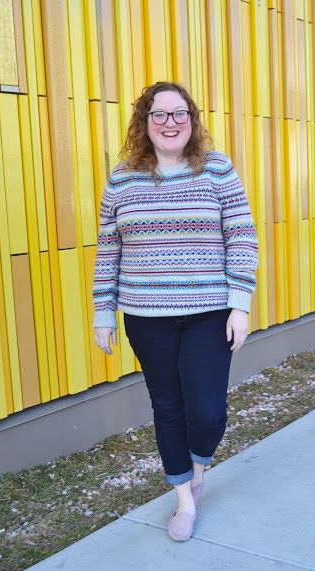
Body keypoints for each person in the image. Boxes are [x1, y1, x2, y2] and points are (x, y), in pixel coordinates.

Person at [92, 81, 259, 542]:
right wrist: (103, 312)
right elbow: (108, 250)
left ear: (192, 119)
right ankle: (184, 498)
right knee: (167, 406)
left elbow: (241, 237)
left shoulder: (217, 169)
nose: (170, 122)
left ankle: (198, 469)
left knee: (207, 411)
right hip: (146, 316)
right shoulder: (122, 178)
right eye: (159, 114)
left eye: (179, 113)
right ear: (144, 122)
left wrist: (239, 305)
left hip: (209, 312)